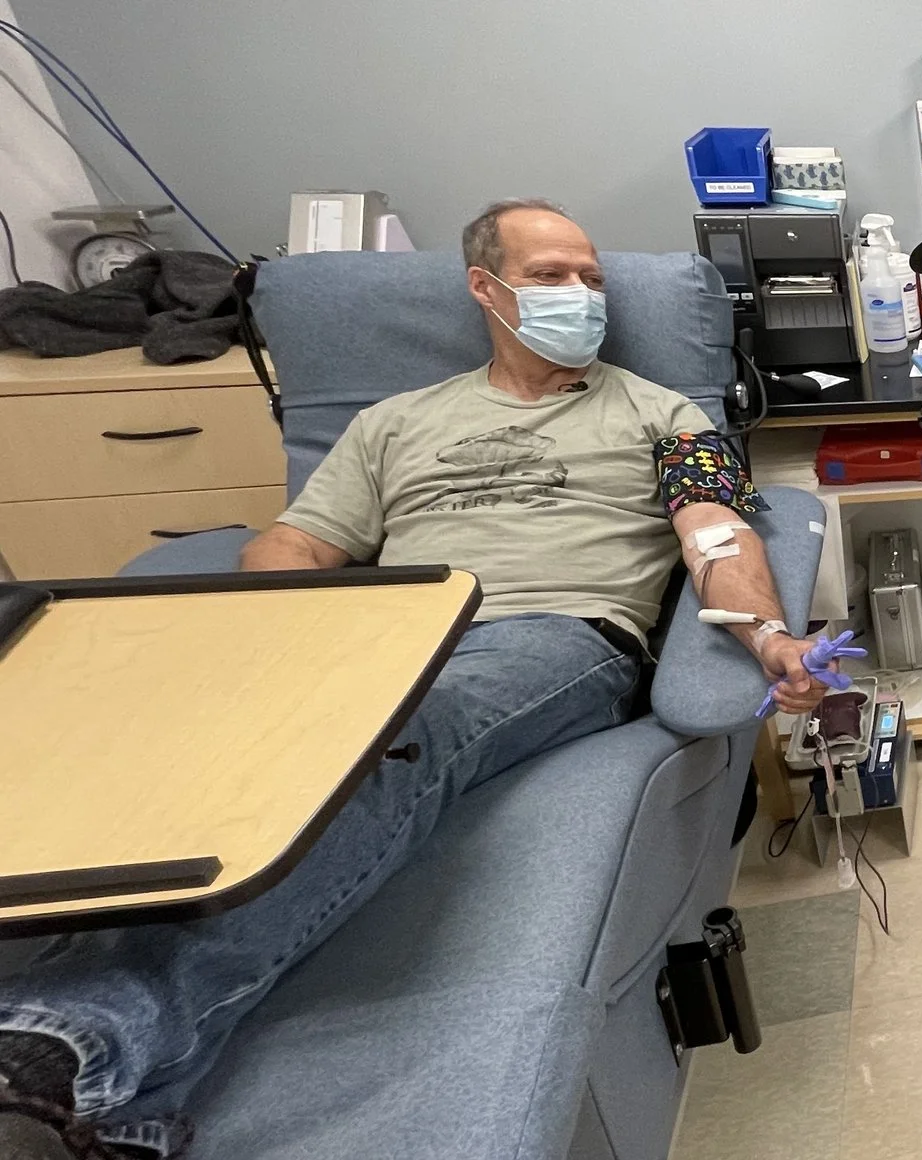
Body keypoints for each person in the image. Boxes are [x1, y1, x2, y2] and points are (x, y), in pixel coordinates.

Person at [0, 199, 834, 1157]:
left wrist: (770, 637)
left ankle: (59, 1044)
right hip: (383, 630)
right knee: (176, 768)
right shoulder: (394, 424)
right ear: (486, 288)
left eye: (592, 280)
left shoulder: (660, 411)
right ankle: (109, 1118)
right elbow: (296, 546)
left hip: (553, 635)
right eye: (552, 276)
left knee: (404, 739)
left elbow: (715, 534)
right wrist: (263, 649)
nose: (581, 297)